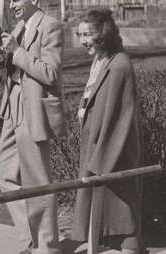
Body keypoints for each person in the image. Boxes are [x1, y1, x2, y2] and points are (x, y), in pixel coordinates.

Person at [0, 1, 65, 253]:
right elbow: (2, 64)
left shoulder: (50, 26)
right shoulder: (19, 26)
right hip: (13, 107)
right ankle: (32, 238)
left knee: (38, 180)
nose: (13, 4)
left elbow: (50, 73)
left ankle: (47, 248)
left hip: (34, 109)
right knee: (4, 172)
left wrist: (17, 51)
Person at [71, 8, 143, 254]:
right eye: (79, 35)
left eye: (88, 35)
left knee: (121, 202)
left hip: (112, 145)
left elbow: (118, 114)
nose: (83, 41)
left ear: (103, 34)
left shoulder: (119, 64)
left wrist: (102, 154)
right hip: (95, 140)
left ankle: (131, 247)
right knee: (102, 199)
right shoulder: (101, 59)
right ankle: (100, 244)